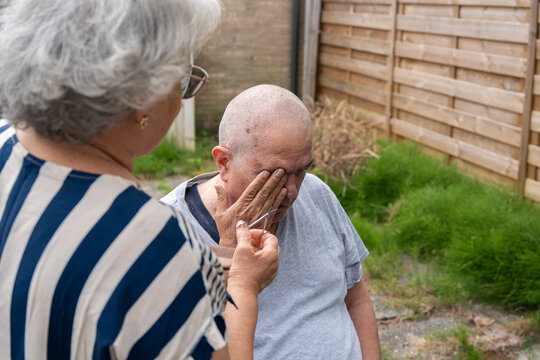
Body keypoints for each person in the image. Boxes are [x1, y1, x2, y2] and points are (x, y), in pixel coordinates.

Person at [0, 1, 279, 359]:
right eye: (183, 80)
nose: (182, 99)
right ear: (141, 95)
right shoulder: (160, 249)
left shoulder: (5, 140)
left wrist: (206, 262)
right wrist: (243, 284)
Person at [162, 84, 382, 359]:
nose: (290, 191)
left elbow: (356, 300)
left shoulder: (317, 192)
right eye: (272, 174)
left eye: (301, 170)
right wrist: (228, 251)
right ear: (224, 162)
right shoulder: (166, 232)